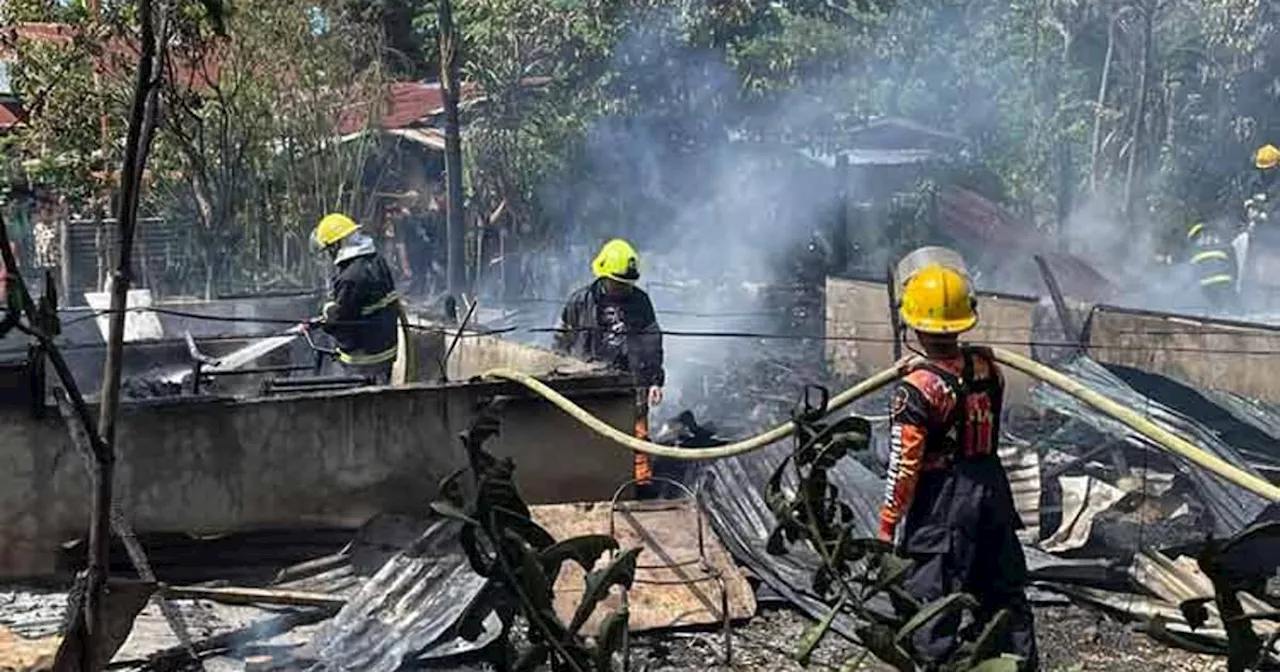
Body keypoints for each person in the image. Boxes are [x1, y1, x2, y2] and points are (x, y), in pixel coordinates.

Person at [880, 260, 1038, 671]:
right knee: (1003, 594)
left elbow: (905, 463)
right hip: (992, 490)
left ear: (913, 324)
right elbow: (960, 379)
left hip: (943, 502)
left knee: (931, 605)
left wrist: (887, 522)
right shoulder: (988, 366)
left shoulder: (915, 390)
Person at [552, 238, 665, 498]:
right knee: (587, 434)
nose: (623, 288)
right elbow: (560, 340)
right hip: (588, 382)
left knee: (637, 437)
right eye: (618, 282)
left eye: (627, 283)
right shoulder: (580, 301)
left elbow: (652, 341)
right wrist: (559, 373)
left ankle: (641, 490)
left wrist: (656, 380)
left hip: (632, 382)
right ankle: (589, 485)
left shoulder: (641, 303)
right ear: (604, 276)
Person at [307, 213, 400, 384]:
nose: (328, 255)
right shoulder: (375, 260)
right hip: (385, 351)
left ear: (336, 245)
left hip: (364, 359)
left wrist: (327, 313)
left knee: (361, 402)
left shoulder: (351, 276)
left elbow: (340, 321)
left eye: (328, 250)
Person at [1186, 221, 1239, 312]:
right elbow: (1234, 265)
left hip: (1213, 287)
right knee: (1233, 311)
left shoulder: (1194, 252)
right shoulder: (1225, 247)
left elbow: (1191, 272)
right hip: (1219, 286)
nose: (1206, 237)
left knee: (1220, 311)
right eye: (1202, 236)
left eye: (1207, 234)